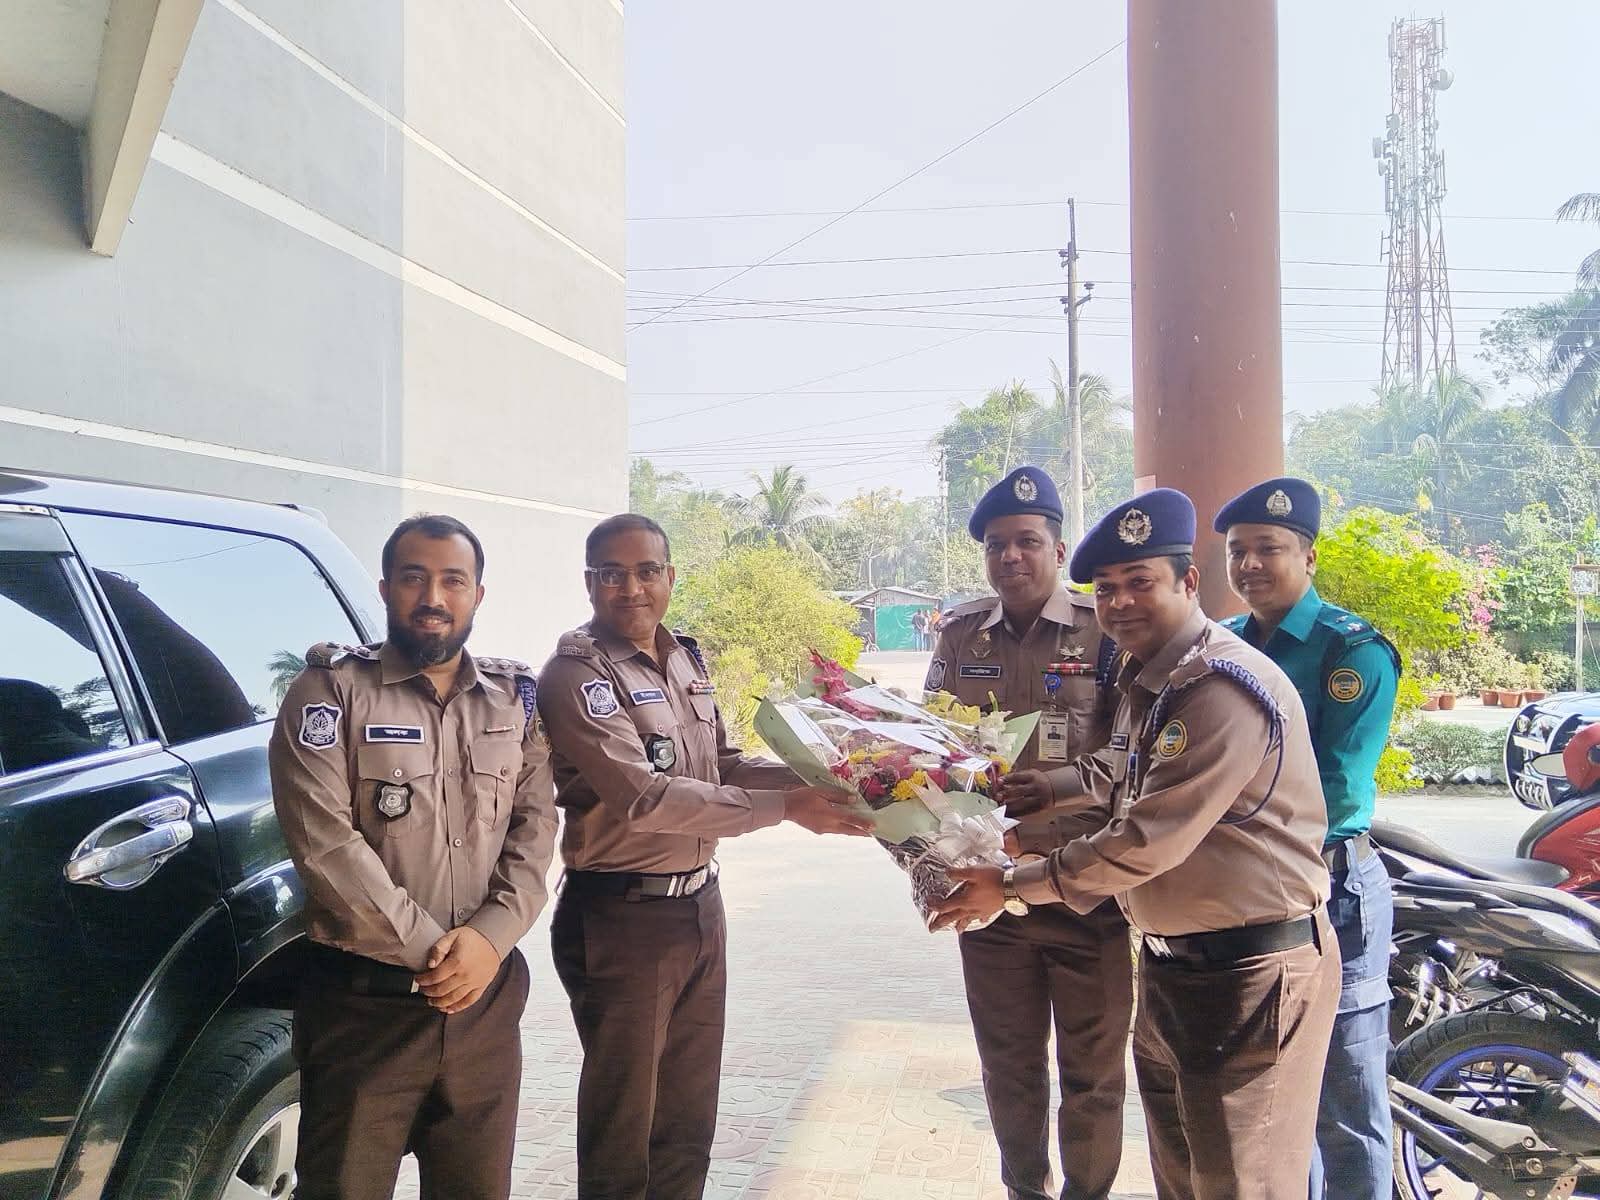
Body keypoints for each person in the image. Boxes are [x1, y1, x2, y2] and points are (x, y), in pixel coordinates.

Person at [930, 488, 1340, 1200]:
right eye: (1107, 588)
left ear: (1188, 581)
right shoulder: (1148, 679)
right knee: (1183, 1176)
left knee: (1241, 1182)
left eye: (1140, 583)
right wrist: (1035, 802)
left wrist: (1012, 884)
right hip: (1176, 964)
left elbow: (1147, 838)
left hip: (1248, 973)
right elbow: (1117, 772)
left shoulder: (1217, 688)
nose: (1119, 603)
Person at [537, 512, 873, 1200]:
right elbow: (644, 798)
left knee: (687, 1119)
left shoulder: (684, 657)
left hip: (698, 907)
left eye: (646, 571)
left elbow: (721, 764)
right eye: (612, 574)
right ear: (590, 582)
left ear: (670, 576)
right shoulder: (577, 675)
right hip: (621, 919)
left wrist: (834, 778)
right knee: (624, 1126)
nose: (631, 589)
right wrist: (787, 809)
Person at [269, 514, 557, 1200]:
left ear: (478, 594)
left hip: (484, 1005)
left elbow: (535, 827)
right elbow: (325, 843)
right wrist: (442, 956)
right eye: (413, 578)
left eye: (453, 580)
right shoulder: (331, 691)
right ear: (385, 588)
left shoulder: (514, 700)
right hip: (364, 1011)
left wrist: (489, 941)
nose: (434, 597)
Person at [927, 466, 1128, 1200]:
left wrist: (1052, 805)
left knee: (1093, 1074)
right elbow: (928, 749)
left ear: (1058, 549)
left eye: (1027, 542)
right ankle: (1024, 1190)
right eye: (996, 545)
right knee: (1008, 1066)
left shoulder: (1105, 631)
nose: (1010, 556)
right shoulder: (959, 634)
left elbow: (1129, 757)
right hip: (989, 895)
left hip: (1085, 890)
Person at [1213, 477, 1400, 1200]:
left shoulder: (1349, 651)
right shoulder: (1224, 644)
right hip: (1251, 896)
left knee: (1346, 1095)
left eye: (1269, 548)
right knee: (1278, 1096)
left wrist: (1220, 827)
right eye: (1238, 551)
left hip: (1333, 889)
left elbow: (1339, 787)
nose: (1250, 564)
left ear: (1310, 556)